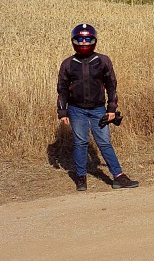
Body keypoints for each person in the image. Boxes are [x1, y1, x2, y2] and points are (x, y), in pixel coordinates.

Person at [57, 23, 139, 191]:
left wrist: (111, 109)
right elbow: (62, 89)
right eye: (80, 40)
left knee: (104, 142)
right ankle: (81, 178)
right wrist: (62, 111)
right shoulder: (68, 63)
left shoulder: (103, 60)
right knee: (81, 143)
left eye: (88, 39)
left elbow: (111, 86)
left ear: (94, 40)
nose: (84, 43)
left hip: (98, 110)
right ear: (74, 41)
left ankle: (118, 177)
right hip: (76, 109)